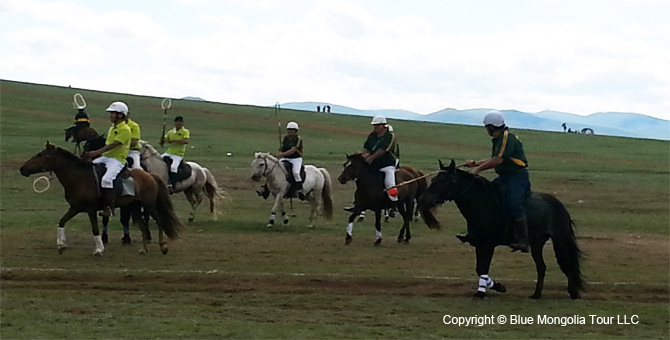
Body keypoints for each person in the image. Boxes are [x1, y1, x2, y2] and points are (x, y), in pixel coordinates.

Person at [462, 110, 531, 253]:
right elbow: (495, 158)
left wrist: (477, 170)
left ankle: (524, 240)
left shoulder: (506, 138)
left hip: (517, 177)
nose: (486, 129)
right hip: (505, 177)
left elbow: (497, 160)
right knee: (488, 198)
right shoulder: (500, 139)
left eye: (487, 127)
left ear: (492, 127)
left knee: (514, 205)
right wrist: (475, 163)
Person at [86, 101, 132, 217]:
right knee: (87, 167)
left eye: (113, 113)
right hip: (106, 158)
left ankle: (109, 208)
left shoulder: (125, 129)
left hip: (117, 160)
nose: (110, 115)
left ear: (121, 115)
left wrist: (96, 152)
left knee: (107, 179)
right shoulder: (112, 128)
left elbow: (113, 145)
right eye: (111, 113)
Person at [363, 115, 399, 202]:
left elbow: (383, 150)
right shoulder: (372, 135)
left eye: (377, 125)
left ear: (383, 125)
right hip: (374, 164)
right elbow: (366, 147)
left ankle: (393, 202)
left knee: (389, 183)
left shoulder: (389, 136)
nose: (375, 127)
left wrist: (371, 157)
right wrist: (365, 154)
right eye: (374, 125)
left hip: (387, 164)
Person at [160, 115, 190, 191]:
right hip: (169, 152)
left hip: (178, 154)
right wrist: (162, 140)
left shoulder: (185, 131)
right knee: (158, 160)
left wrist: (173, 141)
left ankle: (171, 184)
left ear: (183, 123)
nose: (178, 124)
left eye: (180, 122)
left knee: (173, 167)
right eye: (177, 122)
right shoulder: (171, 132)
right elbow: (164, 141)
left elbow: (186, 141)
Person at [276, 121, 304, 198]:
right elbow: (284, 148)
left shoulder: (298, 139)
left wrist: (280, 155)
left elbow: (292, 150)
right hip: (286, 158)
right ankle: (266, 188)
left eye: (292, 130)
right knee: (274, 167)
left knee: (295, 173)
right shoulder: (285, 138)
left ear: (296, 131)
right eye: (289, 130)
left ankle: (299, 190)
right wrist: (281, 149)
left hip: (296, 159)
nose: (290, 132)